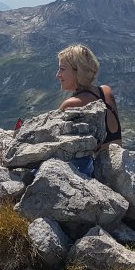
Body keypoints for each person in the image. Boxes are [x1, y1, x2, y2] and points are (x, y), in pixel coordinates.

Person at [56, 44, 122, 177]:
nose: (58, 75)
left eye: (62, 69)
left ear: (78, 71)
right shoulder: (105, 91)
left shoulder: (71, 104)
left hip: (95, 173)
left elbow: (55, 143)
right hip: (118, 166)